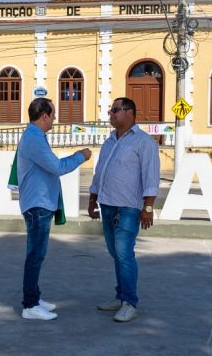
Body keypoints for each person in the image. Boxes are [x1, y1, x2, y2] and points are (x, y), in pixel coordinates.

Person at [17, 97, 91, 320]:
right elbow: (57, 167)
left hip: (40, 203)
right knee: (35, 255)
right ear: (44, 115)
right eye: (53, 114)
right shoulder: (34, 138)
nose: (55, 119)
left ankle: (34, 298)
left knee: (37, 255)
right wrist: (80, 156)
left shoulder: (36, 136)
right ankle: (30, 306)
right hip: (37, 204)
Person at [88, 97, 160, 322]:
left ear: (129, 112)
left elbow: (151, 177)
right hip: (107, 205)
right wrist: (92, 198)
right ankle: (120, 297)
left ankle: (130, 302)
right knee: (115, 253)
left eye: (115, 110)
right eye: (111, 111)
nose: (111, 114)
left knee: (124, 253)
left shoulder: (144, 142)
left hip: (129, 207)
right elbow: (100, 172)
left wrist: (147, 207)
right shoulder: (110, 141)